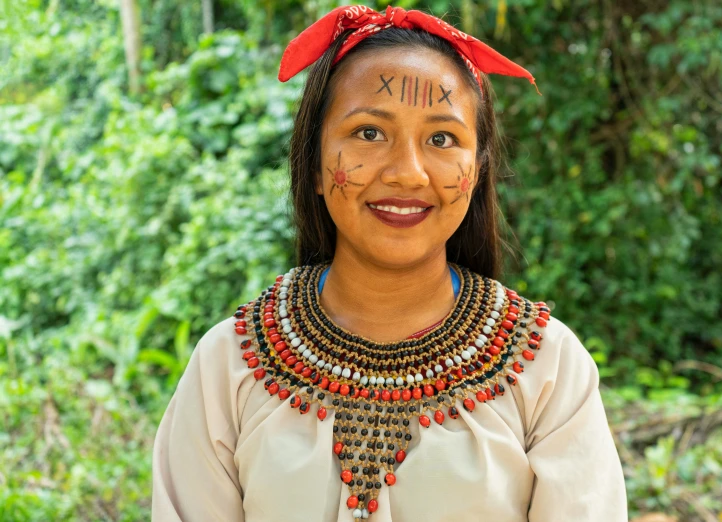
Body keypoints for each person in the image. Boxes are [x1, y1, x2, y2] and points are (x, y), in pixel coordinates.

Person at [152, 5, 628, 521]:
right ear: (313, 161)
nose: (408, 173)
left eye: (442, 139)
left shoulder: (549, 368)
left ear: (477, 168)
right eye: (369, 134)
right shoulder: (229, 366)